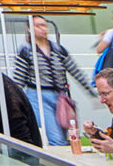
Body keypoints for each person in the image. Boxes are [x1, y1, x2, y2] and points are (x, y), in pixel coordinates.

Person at [13, 14, 94, 146]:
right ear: (30, 29)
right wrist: (14, 103)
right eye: (38, 26)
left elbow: (75, 71)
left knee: (65, 135)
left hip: (60, 97)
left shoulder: (57, 49)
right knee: (56, 138)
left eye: (44, 25)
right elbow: (19, 79)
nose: (43, 29)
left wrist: (91, 92)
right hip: (37, 96)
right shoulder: (26, 51)